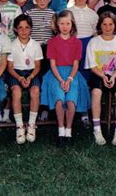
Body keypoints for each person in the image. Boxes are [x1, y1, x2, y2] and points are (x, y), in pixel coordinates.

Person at [40, 10, 90, 147]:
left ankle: (69, 130)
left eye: (68, 23)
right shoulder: (52, 42)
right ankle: (60, 130)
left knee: (71, 101)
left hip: (72, 74)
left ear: (72, 24)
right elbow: (52, 64)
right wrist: (61, 80)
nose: (65, 26)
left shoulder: (77, 43)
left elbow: (75, 64)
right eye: (61, 23)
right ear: (57, 25)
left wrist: (68, 79)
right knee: (59, 99)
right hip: (55, 73)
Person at [85, 12, 116, 146]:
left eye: (110, 24)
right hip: (98, 73)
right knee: (96, 92)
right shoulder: (94, 42)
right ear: (100, 26)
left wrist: (113, 76)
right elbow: (92, 65)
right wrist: (103, 76)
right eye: (104, 24)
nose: (107, 27)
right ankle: (97, 129)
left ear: (115, 26)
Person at [7, 14, 43, 144]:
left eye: (27, 28)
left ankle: (31, 125)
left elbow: (38, 66)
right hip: (16, 73)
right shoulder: (11, 45)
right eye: (20, 28)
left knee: (35, 91)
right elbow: (10, 67)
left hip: (32, 72)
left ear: (31, 29)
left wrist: (31, 76)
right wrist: (20, 78)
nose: (24, 31)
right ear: (16, 29)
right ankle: (19, 126)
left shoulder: (36, 45)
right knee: (16, 92)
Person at [67, 0, 98, 125]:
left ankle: (85, 112)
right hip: (71, 47)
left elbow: (95, 36)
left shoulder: (93, 14)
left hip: (87, 47)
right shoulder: (67, 13)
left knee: (85, 80)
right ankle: (70, 110)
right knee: (72, 78)